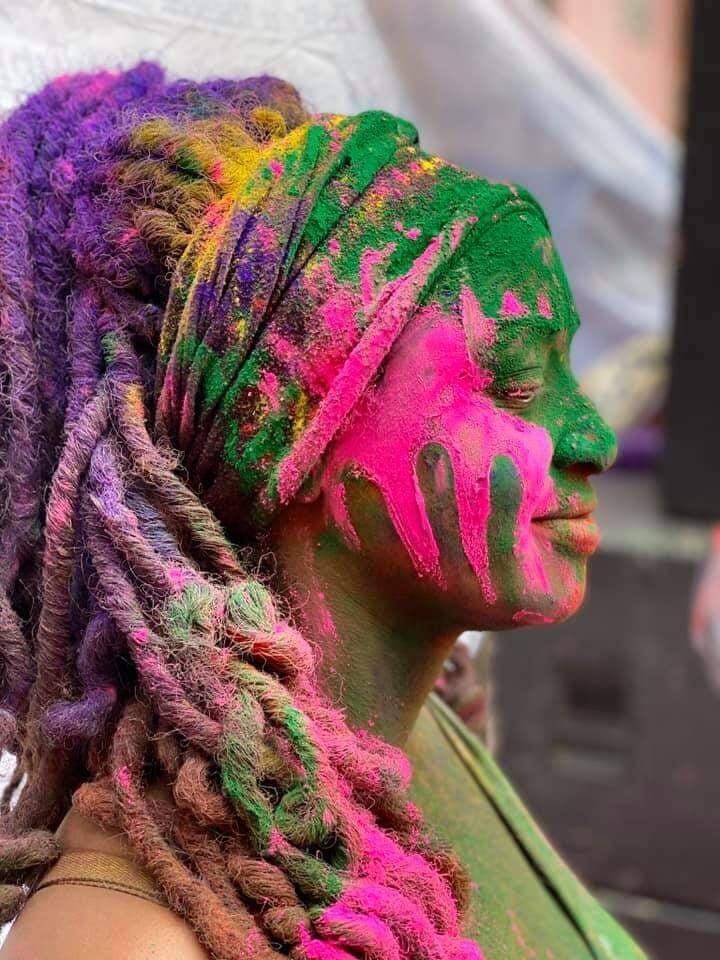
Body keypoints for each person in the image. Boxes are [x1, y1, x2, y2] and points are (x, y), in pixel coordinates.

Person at [0, 63, 645, 959]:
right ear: (287, 437)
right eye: (518, 381)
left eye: (567, 369)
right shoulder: (128, 935)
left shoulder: (425, 751)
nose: (595, 436)